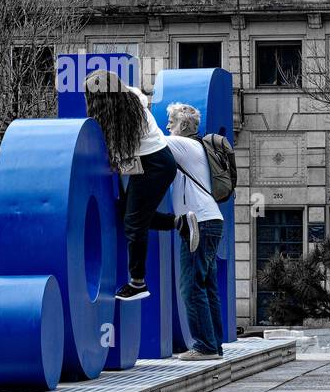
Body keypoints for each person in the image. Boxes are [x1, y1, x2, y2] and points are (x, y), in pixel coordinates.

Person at [84, 69, 177, 300]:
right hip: (155, 162)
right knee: (128, 213)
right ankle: (181, 223)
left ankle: (138, 283)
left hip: (154, 164)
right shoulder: (131, 98)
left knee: (134, 223)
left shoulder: (122, 117)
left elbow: (119, 155)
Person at [161, 101, 225, 361]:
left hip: (197, 222)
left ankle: (205, 347)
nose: (168, 126)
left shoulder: (182, 145)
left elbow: (150, 142)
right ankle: (214, 344)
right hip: (211, 219)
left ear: (184, 125)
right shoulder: (196, 148)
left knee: (190, 286)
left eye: (171, 122)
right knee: (207, 286)